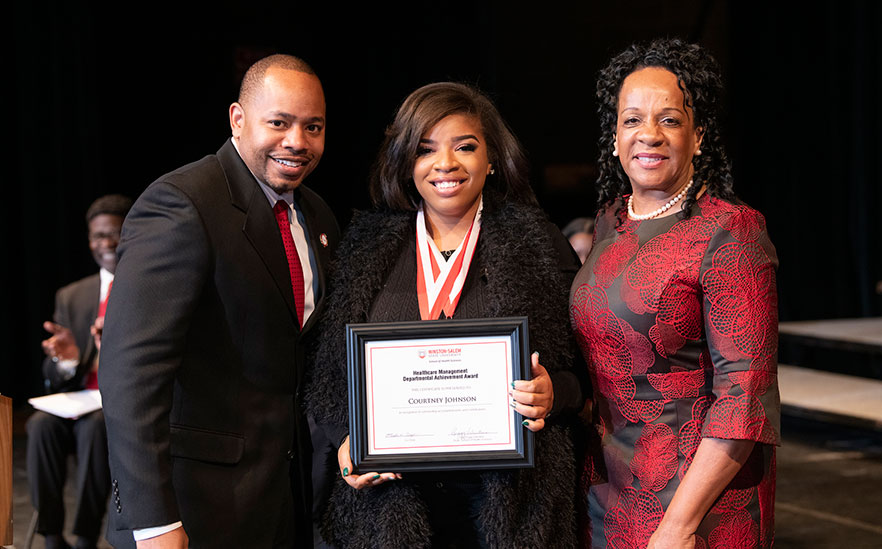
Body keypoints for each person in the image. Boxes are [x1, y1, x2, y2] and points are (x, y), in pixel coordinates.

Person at [306, 82, 584, 548]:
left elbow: (588, 369)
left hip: (509, 513)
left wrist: (555, 393)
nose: (446, 164)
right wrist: (345, 444)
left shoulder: (538, 244)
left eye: (465, 147)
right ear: (405, 163)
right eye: (426, 149)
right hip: (388, 512)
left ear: (491, 159)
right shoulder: (364, 248)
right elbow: (330, 376)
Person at [98, 54, 340, 548]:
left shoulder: (316, 216)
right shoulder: (182, 204)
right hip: (191, 513)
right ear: (237, 118)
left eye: (312, 126)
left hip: (287, 506)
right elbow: (130, 373)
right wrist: (154, 522)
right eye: (279, 122)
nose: (297, 141)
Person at [570, 38, 779, 548]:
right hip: (607, 492)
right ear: (615, 138)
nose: (649, 135)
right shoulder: (609, 224)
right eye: (632, 120)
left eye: (669, 120)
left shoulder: (731, 232)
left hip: (696, 504)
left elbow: (743, 397)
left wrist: (679, 525)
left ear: (699, 136)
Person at [27, 194, 132, 549]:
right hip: (79, 398)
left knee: (96, 427)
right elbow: (51, 373)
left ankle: (86, 536)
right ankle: (52, 536)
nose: (107, 243)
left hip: (121, 404)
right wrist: (67, 359)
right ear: (90, 241)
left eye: (115, 233)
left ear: (129, 233)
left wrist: (115, 349)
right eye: (99, 235)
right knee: (39, 425)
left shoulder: (146, 288)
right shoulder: (72, 295)